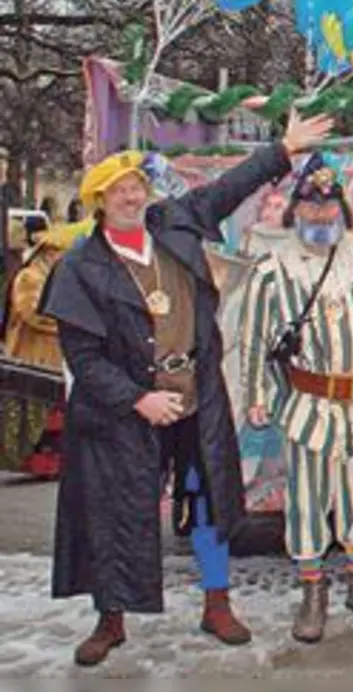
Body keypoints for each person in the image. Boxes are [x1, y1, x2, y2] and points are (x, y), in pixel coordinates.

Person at [43, 111, 331, 667]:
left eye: (135, 187)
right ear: (99, 202)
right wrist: (137, 399)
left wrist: (284, 149)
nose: (130, 198)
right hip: (124, 410)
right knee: (117, 512)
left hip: (195, 394)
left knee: (207, 504)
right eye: (117, 191)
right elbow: (83, 357)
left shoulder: (175, 222)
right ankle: (111, 619)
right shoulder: (81, 266)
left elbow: (230, 188)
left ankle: (216, 603)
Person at [238, 154, 353, 643]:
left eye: (329, 207)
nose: (320, 215)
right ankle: (312, 591)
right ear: (296, 210)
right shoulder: (272, 270)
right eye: (310, 205)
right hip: (307, 405)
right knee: (306, 500)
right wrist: (257, 394)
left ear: (341, 211)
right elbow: (255, 338)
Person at [1, 220, 86, 474]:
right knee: (36, 412)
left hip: (52, 355)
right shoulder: (30, 277)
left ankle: (50, 460)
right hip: (32, 354)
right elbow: (32, 312)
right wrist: (66, 322)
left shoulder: (53, 277)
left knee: (53, 414)